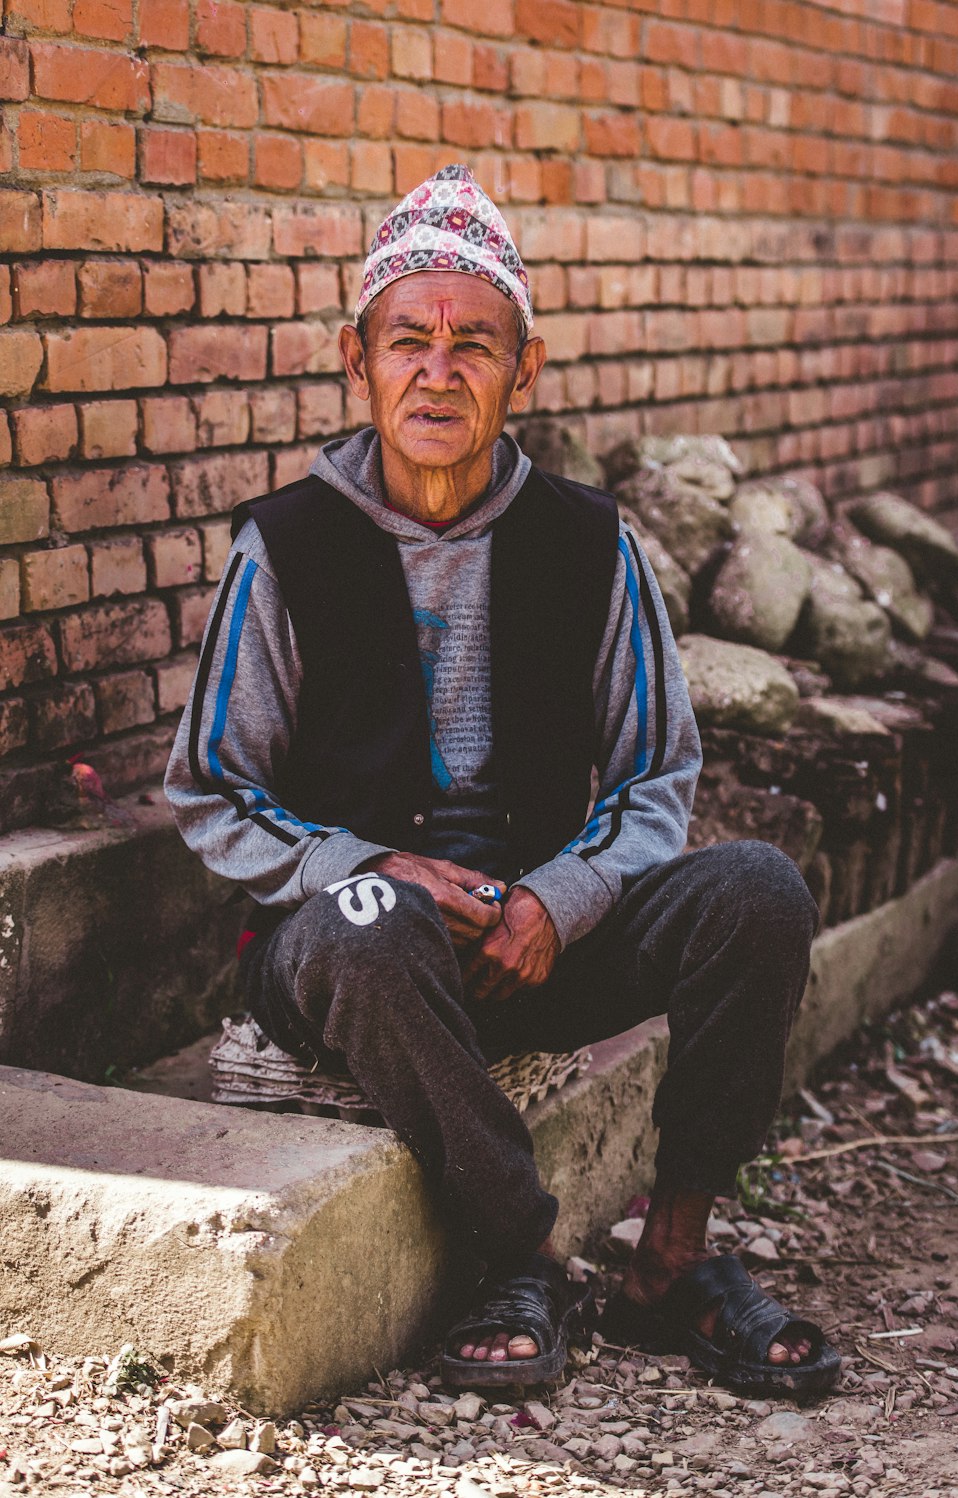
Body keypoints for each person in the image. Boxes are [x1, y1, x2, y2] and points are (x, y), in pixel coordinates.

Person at [165, 164, 840, 1396]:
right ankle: (521, 1250)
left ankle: (669, 1262)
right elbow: (212, 787)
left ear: (522, 370)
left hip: (536, 943)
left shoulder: (591, 543)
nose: (437, 370)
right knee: (370, 926)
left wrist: (558, 901)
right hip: (354, 954)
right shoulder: (285, 545)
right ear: (355, 359)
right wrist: (370, 866)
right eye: (406, 340)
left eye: (473, 343)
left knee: (757, 890)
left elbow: (655, 776)